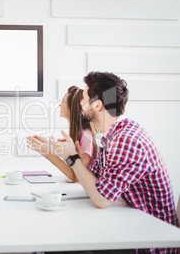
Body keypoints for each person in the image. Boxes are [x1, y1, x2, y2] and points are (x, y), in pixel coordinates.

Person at [29, 72, 178, 254]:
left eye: (84, 99)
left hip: (150, 244)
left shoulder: (126, 140)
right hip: (133, 228)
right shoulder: (113, 135)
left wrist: (73, 158)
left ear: (97, 105)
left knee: (64, 241)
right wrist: (73, 154)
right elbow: (94, 181)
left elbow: (101, 199)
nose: (81, 104)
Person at [27, 86, 96, 182]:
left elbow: (76, 177)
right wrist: (47, 151)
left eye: (63, 102)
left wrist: (49, 153)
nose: (60, 105)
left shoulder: (86, 135)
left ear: (72, 107)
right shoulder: (77, 133)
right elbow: (72, 168)